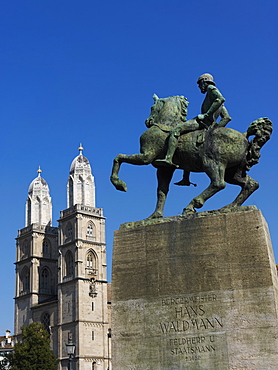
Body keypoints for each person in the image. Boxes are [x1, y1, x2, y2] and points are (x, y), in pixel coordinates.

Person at [156, 73, 231, 186]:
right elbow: (227, 118)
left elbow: (220, 98)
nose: (199, 87)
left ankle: (168, 158)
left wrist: (206, 115)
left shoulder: (211, 89)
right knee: (187, 142)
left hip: (201, 122)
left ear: (204, 82)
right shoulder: (217, 103)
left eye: (200, 84)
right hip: (207, 125)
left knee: (175, 131)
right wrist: (215, 129)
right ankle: (185, 178)